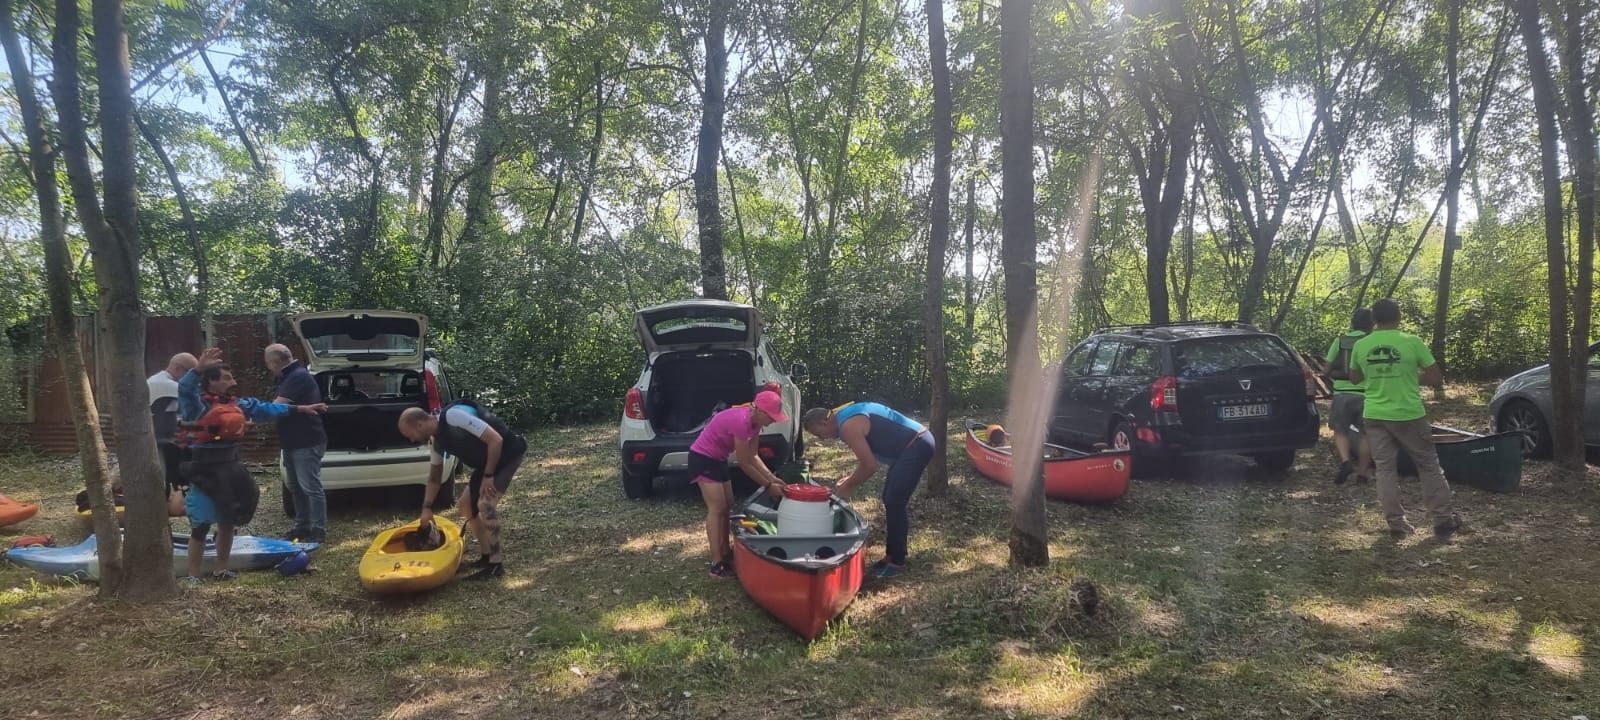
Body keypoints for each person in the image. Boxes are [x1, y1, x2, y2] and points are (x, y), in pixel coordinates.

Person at [178, 348, 326, 583]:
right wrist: (197, 370)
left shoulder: (237, 403)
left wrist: (300, 408)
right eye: (227, 378)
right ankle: (193, 575)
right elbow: (185, 389)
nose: (234, 382)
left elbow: (265, 409)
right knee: (201, 525)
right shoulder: (197, 406)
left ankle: (221, 569)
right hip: (204, 471)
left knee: (228, 520)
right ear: (212, 382)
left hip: (230, 469)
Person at [1348, 299, 1461, 540]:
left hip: (1375, 414)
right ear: (1399, 316)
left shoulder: (1361, 345)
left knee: (1385, 469)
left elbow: (1354, 377)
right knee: (1428, 465)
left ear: (1373, 319)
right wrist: (1410, 377)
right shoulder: (1412, 342)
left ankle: (1396, 524)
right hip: (1408, 414)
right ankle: (1442, 520)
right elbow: (1436, 378)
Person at [801, 401, 935, 579]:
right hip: (911, 446)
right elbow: (868, 458)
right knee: (890, 499)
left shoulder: (848, 425)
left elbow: (870, 466)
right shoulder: (844, 417)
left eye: (819, 434)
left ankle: (897, 561)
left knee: (894, 501)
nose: (822, 439)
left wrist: (847, 487)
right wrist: (850, 478)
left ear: (823, 422)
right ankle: (891, 555)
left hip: (917, 444)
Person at [398, 399, 528, 580]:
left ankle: (496, 565)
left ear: (419, 424)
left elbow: (496, 440)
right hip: (486, 461)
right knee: (465, 505)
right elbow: (435, 478)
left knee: (486, 504)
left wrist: (488, 476)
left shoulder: (453, 417)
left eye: (410, 434)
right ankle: (486, 556)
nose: (412, 439)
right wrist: (427, 508)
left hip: (508, 452)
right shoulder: (437, 441)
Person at [686, 391, 789, 578]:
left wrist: (772, 478)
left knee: (728, 505)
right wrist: (768, 486)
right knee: (717, 507)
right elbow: (744, 463)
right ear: (759, 410)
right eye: (771, 417)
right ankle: (716, 564)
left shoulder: (756, 423)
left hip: (718, 460)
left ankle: (726, 553)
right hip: (702, 459)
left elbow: (753, 455)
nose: (773, 421)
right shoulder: (741, 422)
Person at [264, 343, 328, 542]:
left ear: (276, 362)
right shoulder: (287, 377)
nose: (268, 367)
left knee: (310, 486)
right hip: (292, 441)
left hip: (306, 440)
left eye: (268, 363)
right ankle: (302, 527)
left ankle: (318, 529)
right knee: (295, 486)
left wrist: (251, 416)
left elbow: (276, 407)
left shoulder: (297, 376)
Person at [1324, 308, 1374, 485]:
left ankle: (1346, 461)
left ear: (1353, 322)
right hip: (1368, 394)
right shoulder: (1373, 341)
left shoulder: (1340, 341)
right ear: (1372, 324)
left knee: (1340, 430)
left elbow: (1326, 369)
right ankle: (1363, 473)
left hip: (1342, 393)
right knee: (1365, 434)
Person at [149, 352, 198, 517]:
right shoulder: (162, 383)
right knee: (158, 483)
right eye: (190, 373)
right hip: (152, 442)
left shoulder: (167, 383)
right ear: (177, 367)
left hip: (163, 440)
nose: (192, 379)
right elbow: (196, 399)